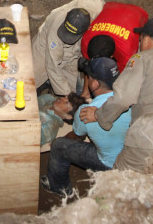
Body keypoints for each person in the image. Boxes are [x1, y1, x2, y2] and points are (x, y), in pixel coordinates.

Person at [80, 18, 153, 173]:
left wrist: (99, 115)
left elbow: (121, 99)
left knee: (119, 179)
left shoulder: (142, 59)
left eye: (140, 40)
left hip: (150, 141)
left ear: (146, 39)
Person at [41, 57, 130, 196]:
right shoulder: (129, 99)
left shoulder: (86, 111)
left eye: (87, 77)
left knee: (59, 145)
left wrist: (60, 139)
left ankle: (58, 187)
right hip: (130, 159)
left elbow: (77, 136)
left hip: (110, 164)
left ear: (94, 83)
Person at [32, 0, 105, 96]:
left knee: (74, 89)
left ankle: (55, 84)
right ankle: (47, 83)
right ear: (67, 15)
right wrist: (67, 95)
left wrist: (73, 96)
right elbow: (53, 66)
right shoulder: (56, 27)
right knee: (29, 81)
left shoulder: (96, 7)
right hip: (45, 48)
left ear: (89, 26)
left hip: (75, 51)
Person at [80, 2, 149, 72]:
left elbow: (119, 75)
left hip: (138, 13)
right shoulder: (86, 41)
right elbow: (88, 66)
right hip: (111, 6)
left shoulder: (126, 54)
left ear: (111, 56)